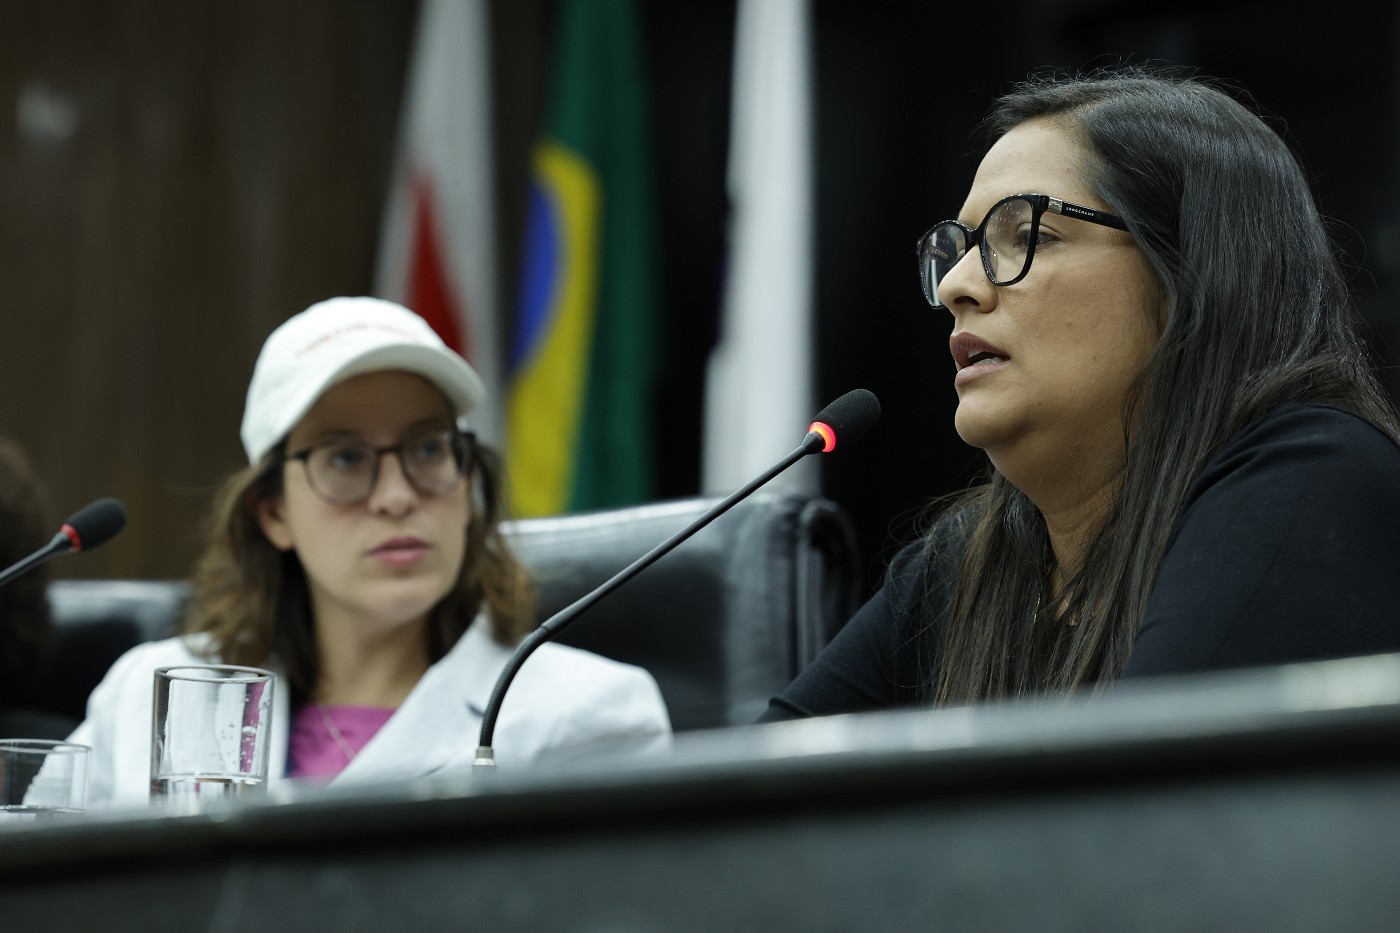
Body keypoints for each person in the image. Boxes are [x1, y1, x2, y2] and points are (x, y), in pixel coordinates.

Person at [763, 68, 1400, 719]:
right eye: (959, 249)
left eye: (1028, 236)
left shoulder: (1316, 477)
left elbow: (1139, 784)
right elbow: (753, 776)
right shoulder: (965, 563)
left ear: (1192, 273)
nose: (957, 285)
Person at [71, 297, 670, 808]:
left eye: (428, 449)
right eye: (345, 458)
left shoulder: (588, 712)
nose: (396, 497)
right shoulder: (145, 693)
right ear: (274, 512)